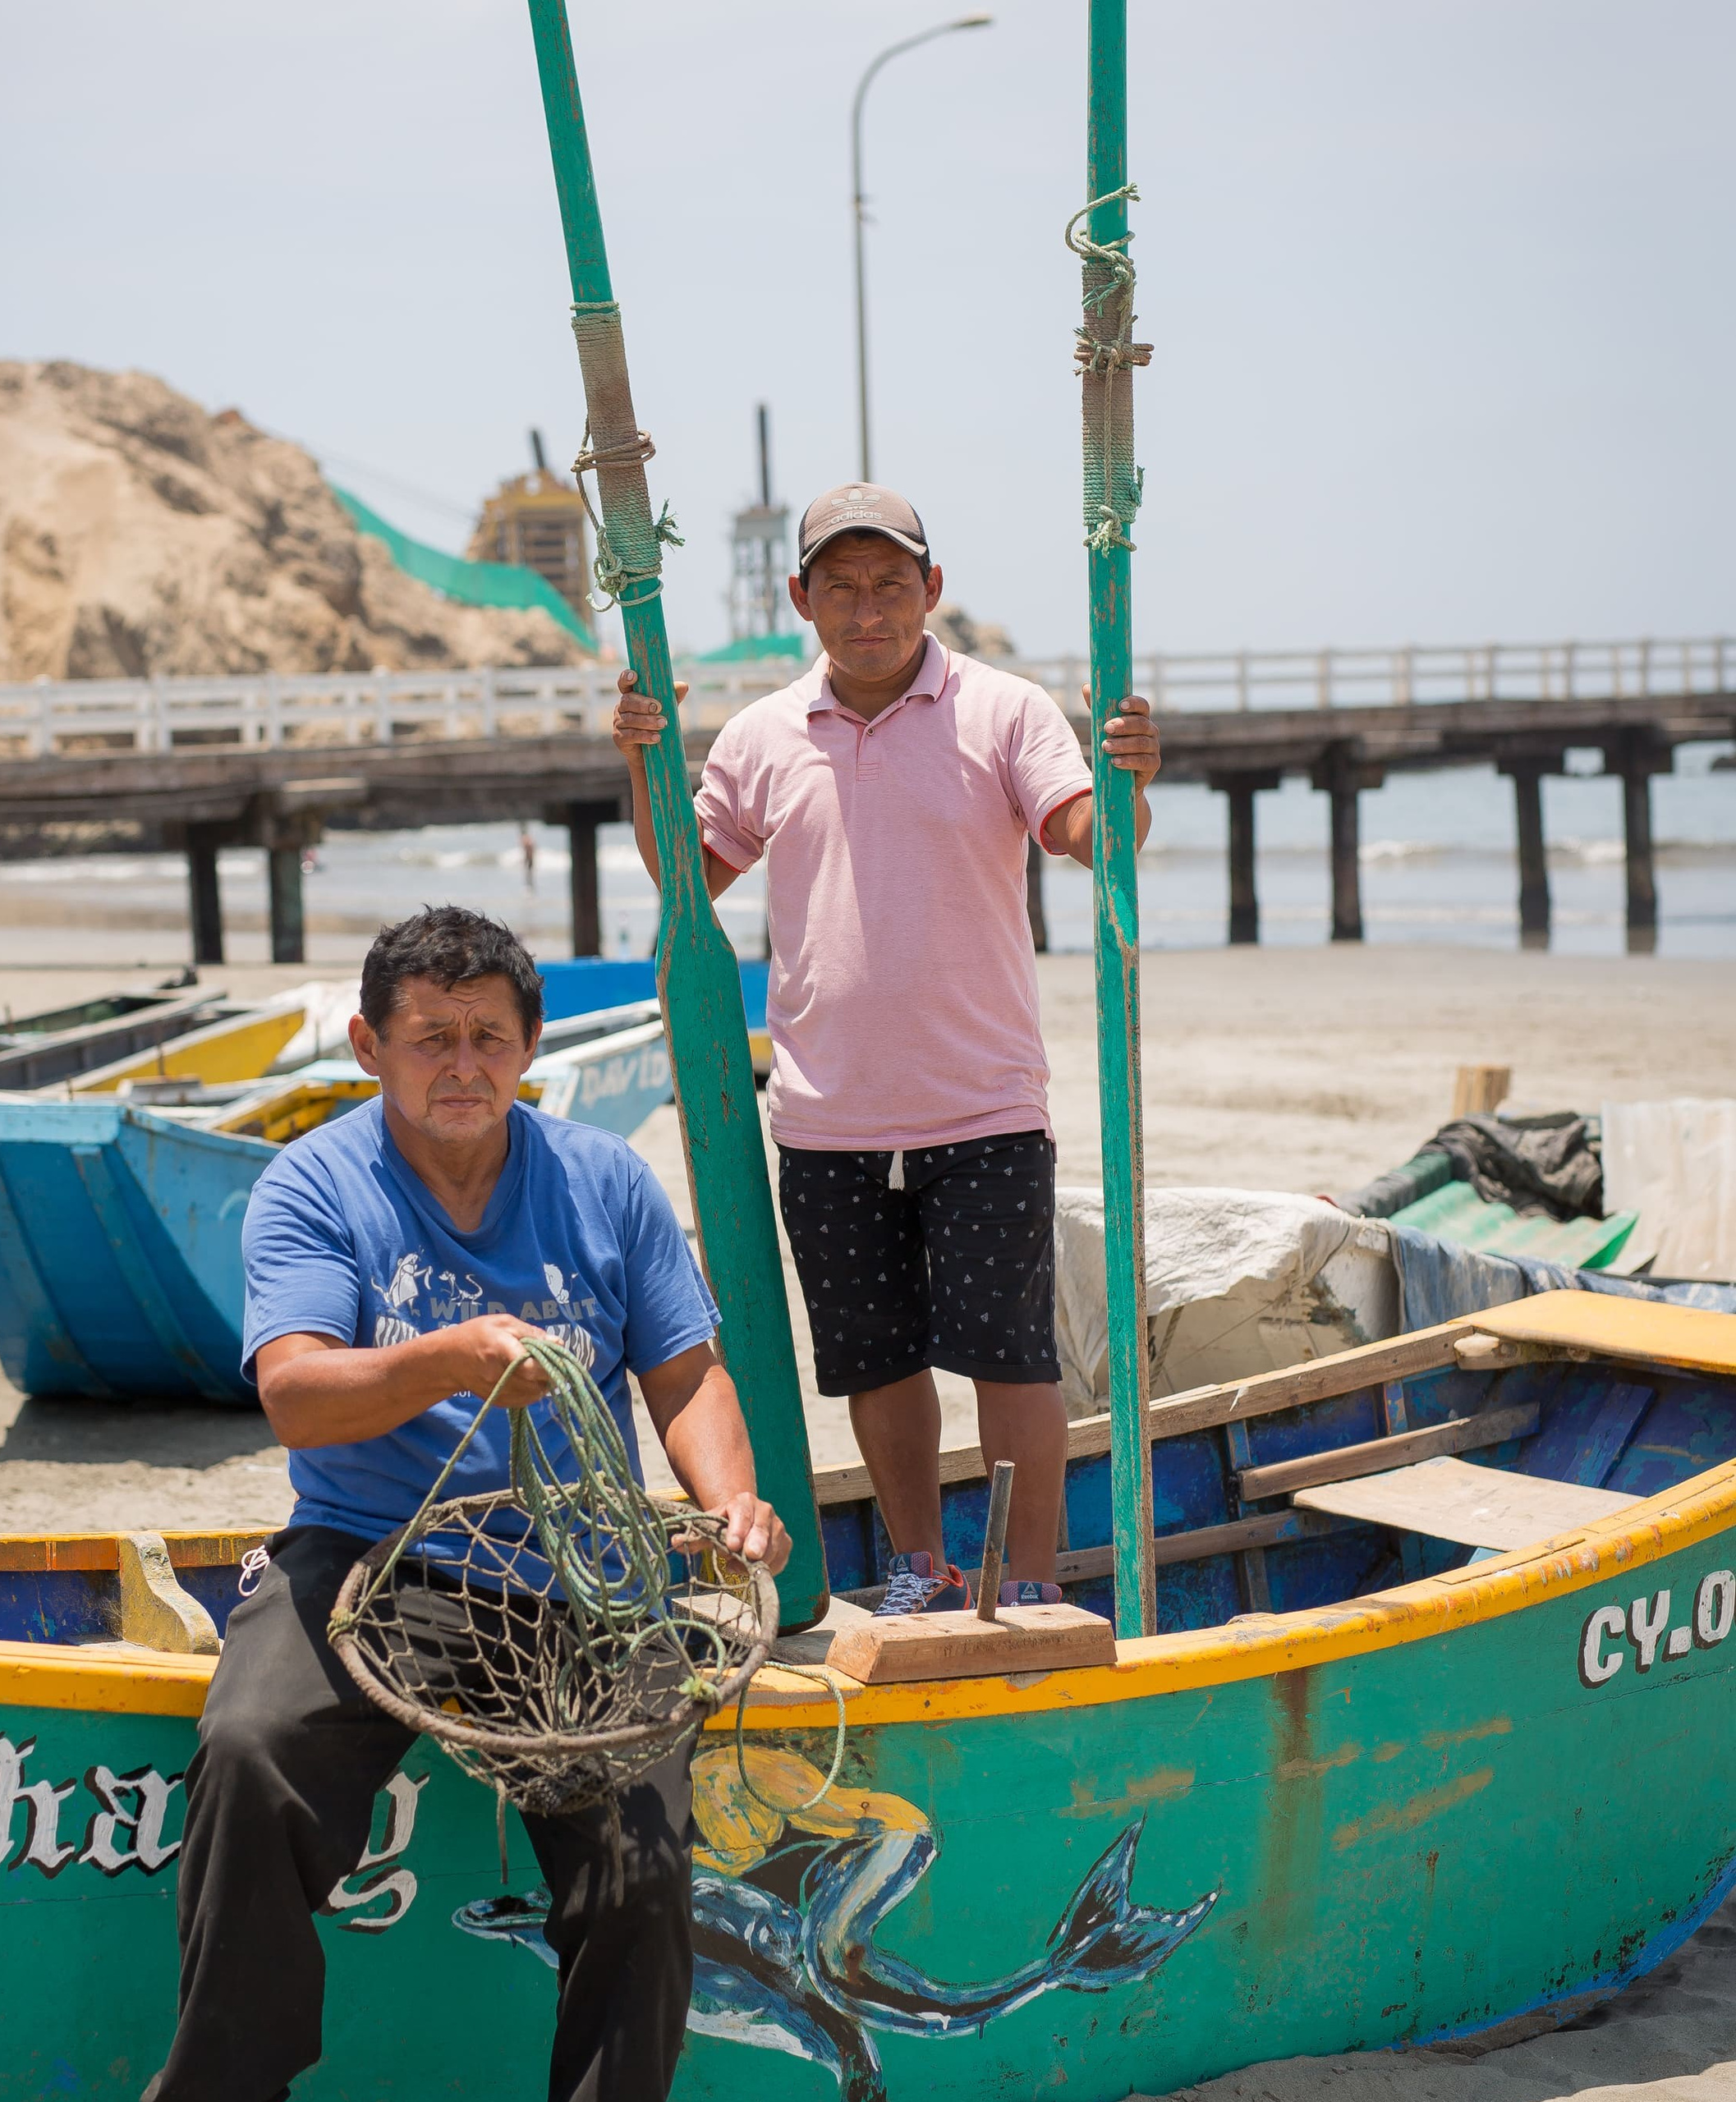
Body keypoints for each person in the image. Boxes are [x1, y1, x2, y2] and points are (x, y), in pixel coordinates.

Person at [147, 905, 790, 2102]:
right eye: (430, 1037)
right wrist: (443, 1360)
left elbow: (687, 1371)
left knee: (643, 1871)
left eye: (489, 1036)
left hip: (586, 1572)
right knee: (248, 1754)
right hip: (367, 1558)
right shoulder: (313, 1186)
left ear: (532, 1048)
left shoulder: (604, 1180)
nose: (462, 1064)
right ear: (367, 1047)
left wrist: (736, 1503)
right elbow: (294, 1395)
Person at [612, 483, 1161, 1618]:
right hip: (827, 1115)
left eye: (893, 584)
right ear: (802, 597)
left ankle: (1028, 1580)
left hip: (987, 1104)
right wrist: (643, 764)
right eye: (845, 588)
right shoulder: (766, 735)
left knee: (1013, 1361)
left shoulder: (1005, 711)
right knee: (876, 1361)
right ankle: (919, 1563)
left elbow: (1083, 837)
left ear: (933, 590)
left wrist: (1127, 786)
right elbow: (689, 879)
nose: (871, 610)